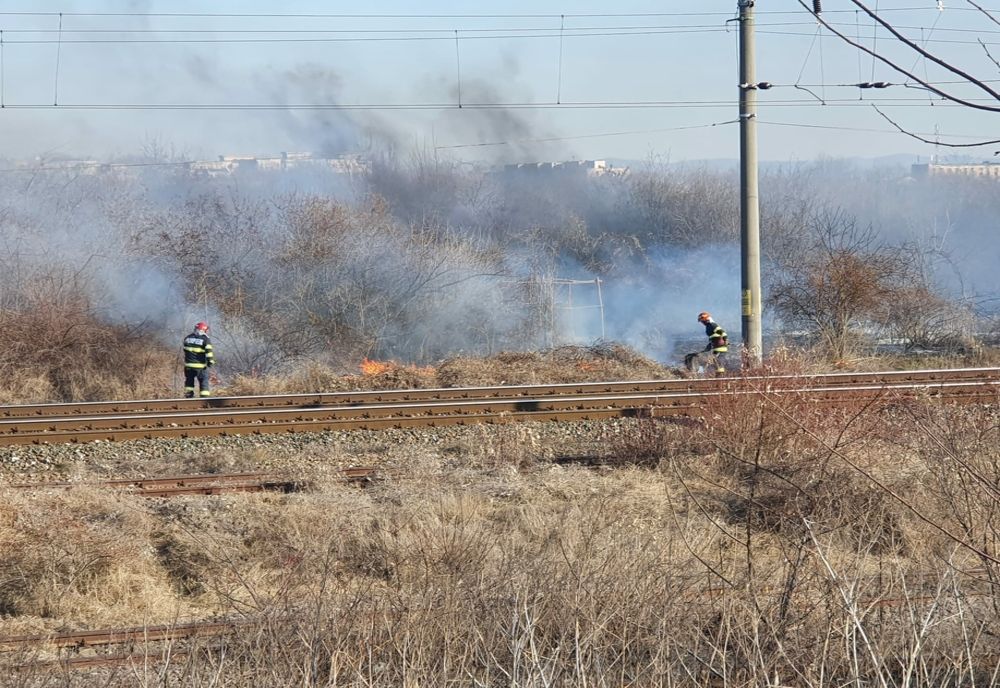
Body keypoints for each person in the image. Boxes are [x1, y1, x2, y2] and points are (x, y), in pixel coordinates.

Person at [182, 321, 215, 398]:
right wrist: (210, 362)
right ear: (203, 330)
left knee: (189, 381)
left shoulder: (187, 338)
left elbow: (185, 350)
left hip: (188, 366)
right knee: (203, 382)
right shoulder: (205, 339)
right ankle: (204, 399)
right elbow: (209, 353)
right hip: (201, 367)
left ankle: (188, 396)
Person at [697, 311, 728, 376]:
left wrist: (725, 341)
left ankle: (720, 377)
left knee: (719, 361)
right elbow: (713, 336)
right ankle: (718, 375)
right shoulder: (708, 326)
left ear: (706, 319)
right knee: (714, 361)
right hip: (715, 346)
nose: (702, 323)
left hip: (720, 347)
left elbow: (722, 333)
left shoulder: (712, 325)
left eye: (702, 321)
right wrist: (709, 345)